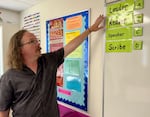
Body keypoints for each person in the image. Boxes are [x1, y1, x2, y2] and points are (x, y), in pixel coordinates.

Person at [0, 14, 104, 117]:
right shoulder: (9, 77)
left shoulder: (49, 61)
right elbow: (3, 111)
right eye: (32, 41)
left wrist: (89, 30)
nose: (38, 44)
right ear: (19, 49)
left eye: (37, 40)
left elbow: (70, 47)